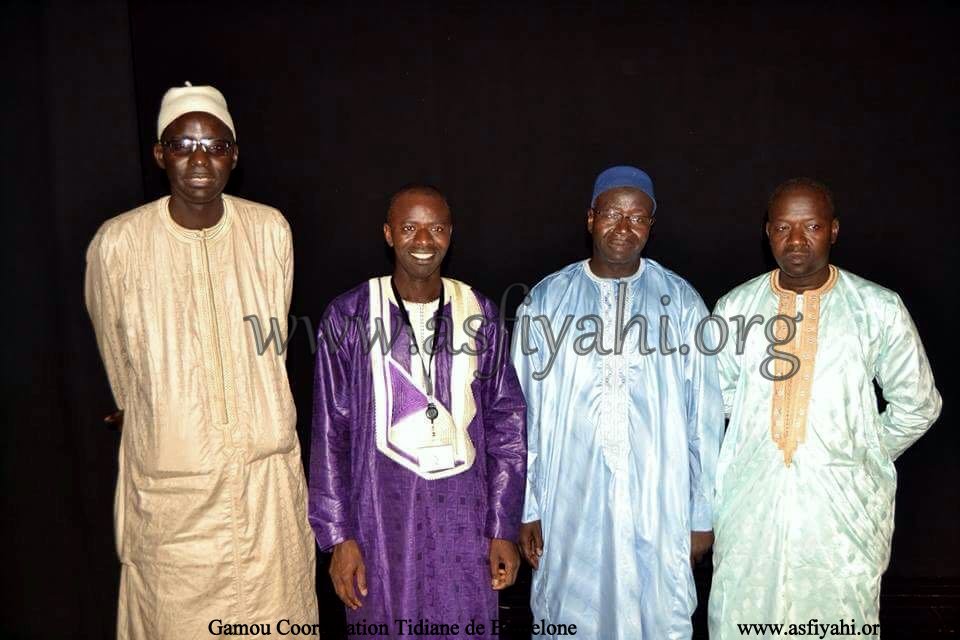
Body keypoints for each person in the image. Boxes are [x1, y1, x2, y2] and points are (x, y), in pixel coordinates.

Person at [85, 83, 318, 639]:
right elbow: (120, 364)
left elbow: (271, 341)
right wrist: (164, 418)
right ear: (159, 152)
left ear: (234, 157)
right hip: (175, 506)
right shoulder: (118, 244)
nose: (199, 159)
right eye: (182, 143)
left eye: (214, 145)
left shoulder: (268, 230)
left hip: (265, 497)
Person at [708, 178, 942, 638]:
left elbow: (918, 404)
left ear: (833, 230)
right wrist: (761, 433)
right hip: (752, 508)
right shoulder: (736, 308)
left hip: (842, 515)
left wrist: (859, 452)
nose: (797, 240)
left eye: (811, 226)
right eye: (783, 227)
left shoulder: (877, 308)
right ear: (767, 233)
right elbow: (715, 395)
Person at [512, 166, 724, 639]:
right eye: (613, 214)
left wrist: (701, 515)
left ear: (651, 226)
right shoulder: (546, 302)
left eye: (638, 218)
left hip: (660, 502)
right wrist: (527, 507)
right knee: (570, 610)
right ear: (590, 218)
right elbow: (522, 415)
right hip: (567, 501)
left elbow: (704, 420)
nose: (624, 228)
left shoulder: (683, 304)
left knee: (657, 612)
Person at [309, 185, 526, 638]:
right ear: (388, 234)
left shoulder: (479, 313)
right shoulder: (348, 316)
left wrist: (502, 526)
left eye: (436, 228)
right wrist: (338, 538)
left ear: (451, 235)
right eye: (410, 227)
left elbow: (506, 424)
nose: (423, 240)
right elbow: (330, 430)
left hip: (464, 527)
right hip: (376, 528)